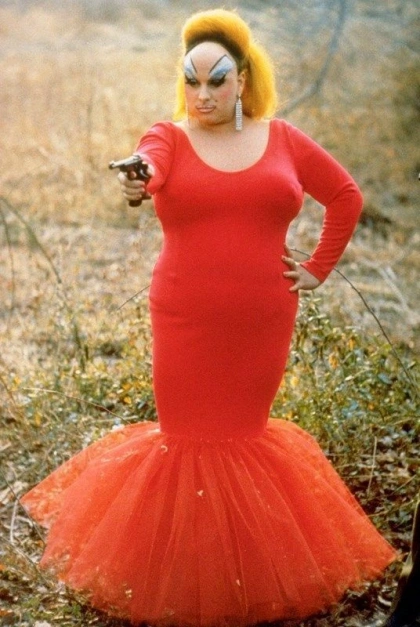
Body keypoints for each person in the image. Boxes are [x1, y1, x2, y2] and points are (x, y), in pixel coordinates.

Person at [21, 8, 397, 626]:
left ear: (242, 79)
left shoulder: (283, 138)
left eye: (217, 80)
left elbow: (346, 195)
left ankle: (245, 578)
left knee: (244, 435)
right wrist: (140, 179)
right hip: (185, 315)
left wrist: (318, 267)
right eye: (191, 81)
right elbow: (149, 164)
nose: (203, 94)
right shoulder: (167, 138)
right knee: (188, 440)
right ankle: (181, 581)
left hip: (262, 317)